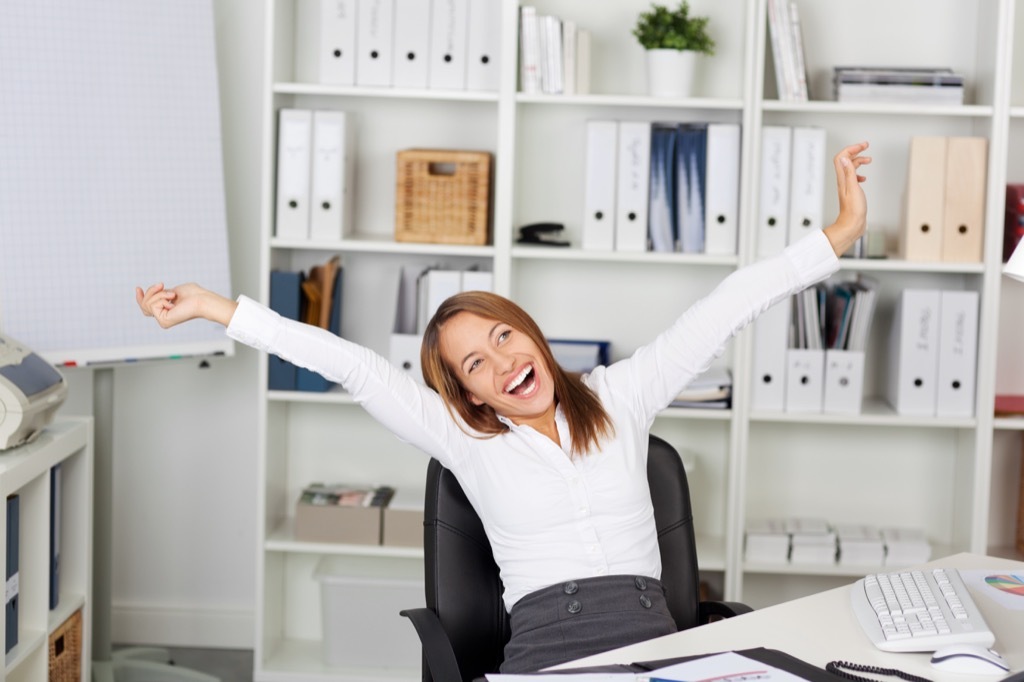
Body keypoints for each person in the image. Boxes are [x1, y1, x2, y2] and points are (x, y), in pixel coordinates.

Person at [138, 141, 871, 673]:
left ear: (531, 334)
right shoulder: (463, 440)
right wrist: (213, 308)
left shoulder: (623, 396)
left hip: (659, 647)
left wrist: (838, 233)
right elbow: (353, 367)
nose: (504, 363)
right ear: (468, 393)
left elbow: (726, 308)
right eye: (476, 365)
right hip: (550, 651)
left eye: (503, 336)